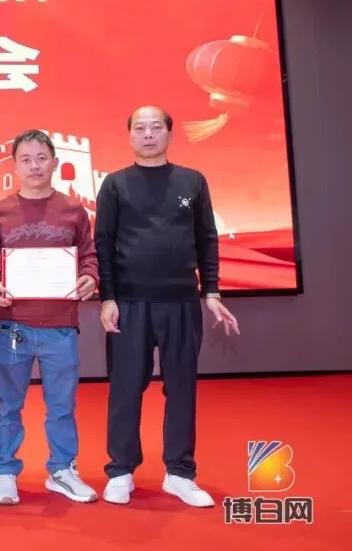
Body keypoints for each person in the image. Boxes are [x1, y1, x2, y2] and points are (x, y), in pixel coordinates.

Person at [95, 105, 240, 508]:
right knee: (125, 389)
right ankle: (120, 470)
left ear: (170, 135)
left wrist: (211, 291)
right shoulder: (115, 184)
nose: (148, 134)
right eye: (140, 128)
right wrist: (108, 297)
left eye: (156, 127)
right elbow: (103, 243)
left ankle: (179, 472)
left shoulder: (192, 181)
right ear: (130, 135)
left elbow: (207, 238)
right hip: (130, 303)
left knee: (181, 388)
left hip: (181, 302)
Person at [0, 129, 100, 505]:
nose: (34, 166)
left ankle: (62, 470)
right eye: (26, 159)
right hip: (14, 325)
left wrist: (90, 277)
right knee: (8, 404)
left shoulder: (73, 210)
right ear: (14, 166)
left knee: (62, 405)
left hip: (60, 327)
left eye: (41, 158)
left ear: (54, 162)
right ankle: (6, 472)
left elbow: (89, 254)